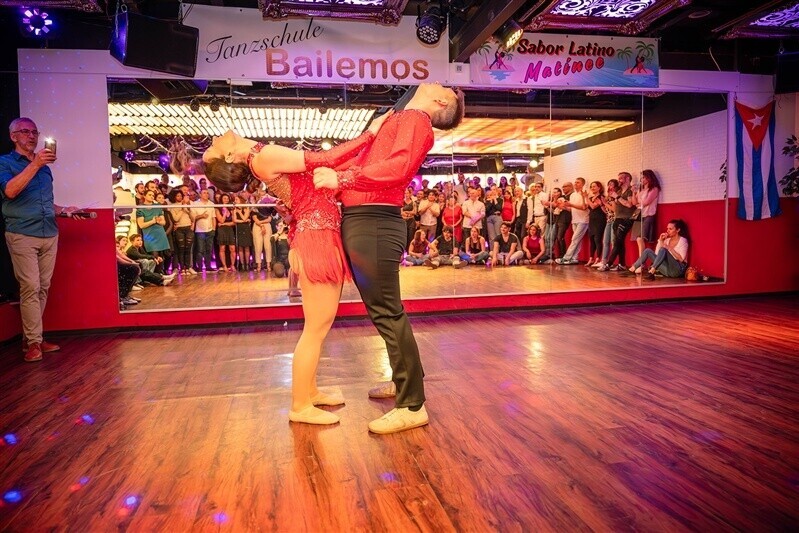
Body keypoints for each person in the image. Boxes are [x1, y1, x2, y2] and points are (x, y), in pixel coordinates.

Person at [202, 109, 395, 426]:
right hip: (317, 238)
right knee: (316, 329)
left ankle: (310, 392)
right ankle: (301, 405)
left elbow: (309, 188)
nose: (212, 139)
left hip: (317, 235)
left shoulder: (261, 157)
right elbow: (326, 159)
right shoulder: (263, 156)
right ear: (228, 156)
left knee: (319, 326)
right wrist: (370, 134)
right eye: (212, 149)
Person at [311, 82, 465, 434]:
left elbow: (398, 168)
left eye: (442, 86)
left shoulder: (416, 119)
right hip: (368, 219)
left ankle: (412, 405)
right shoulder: (403, 118)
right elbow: (374, 161)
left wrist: (342, 177)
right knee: (385, 311)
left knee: (387, 312)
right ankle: (405, 380)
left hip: (374, 221)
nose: (434, 81)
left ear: (440, 100)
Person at [0, 118, 80, 362]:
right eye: (25, 131)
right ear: (13, 136)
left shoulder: (44, 168)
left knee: (43, 287)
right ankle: (34, 342)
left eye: (35, 132)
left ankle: (32, 338)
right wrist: (35, 164)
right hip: (22, 233)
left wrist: (64, 210)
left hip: (49, 233)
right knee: (30, 287)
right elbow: (10, 191)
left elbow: (44, 203)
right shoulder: (5, 163)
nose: (32, 136)